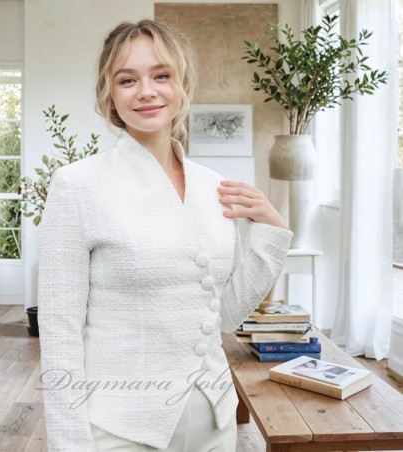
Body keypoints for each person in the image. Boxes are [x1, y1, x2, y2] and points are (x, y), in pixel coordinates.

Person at [38, 19, 293, 452]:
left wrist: (274, 232)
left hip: (214, 423)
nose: (147, 91)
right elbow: (59, 330)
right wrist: (70, 442)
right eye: (127, 79)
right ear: (110, 95)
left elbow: (225, 317)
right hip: (118, 429)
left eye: (161, 75)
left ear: (183, 85)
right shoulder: (77, 186)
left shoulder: (213, 186)